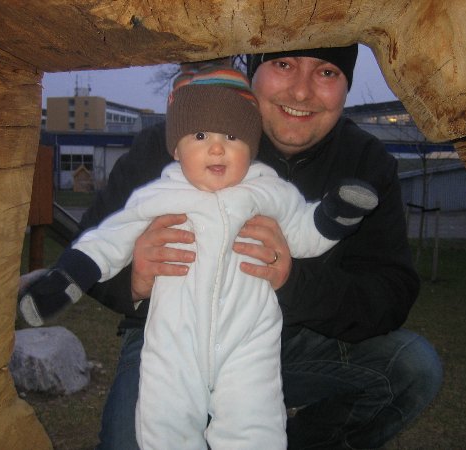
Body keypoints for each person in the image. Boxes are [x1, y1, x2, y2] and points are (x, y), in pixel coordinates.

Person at [70, 45, 443, 450]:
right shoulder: (177, 136)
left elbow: (391, 294)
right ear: (253, 71)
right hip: (170, 343)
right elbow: (87, 248)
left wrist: (293, 280)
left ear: (346, 86)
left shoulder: (366, 163)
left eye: (327, 73)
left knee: (413, 367)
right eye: (283, 64)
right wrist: (135, 279)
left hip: (290, 343)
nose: (301, 92)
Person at [18, 66, 378, 449]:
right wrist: (65, 280)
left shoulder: (269, 191)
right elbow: (107, 240)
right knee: (166, 424)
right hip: (175, 340)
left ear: (251, 148)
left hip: (248, 340)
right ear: (177, 149)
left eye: (233, 137)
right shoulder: (157, 195)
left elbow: (304, 231)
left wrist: (333, 215)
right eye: (201, 136)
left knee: (254, 425)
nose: (217, 148)